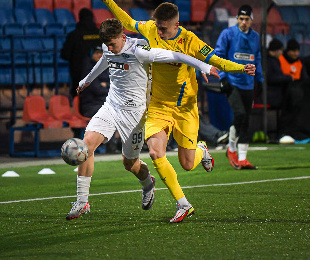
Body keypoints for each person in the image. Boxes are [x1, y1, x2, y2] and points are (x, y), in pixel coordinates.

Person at [89, 0, 256, 223]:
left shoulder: (190, 41)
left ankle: (201, 150)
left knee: (187, 164)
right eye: (157, 26)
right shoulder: (151, 28)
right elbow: (127, 21)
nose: (159, 31)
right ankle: (183, 204)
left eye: (164, 28)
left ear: (177, 25)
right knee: (156, 152)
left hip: (185, 109)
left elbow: (216, 59)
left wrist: (241, 67)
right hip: (158, 106)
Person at [66, 18, 219, 220]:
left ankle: (148, 183)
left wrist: (204, 66)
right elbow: (105, 60)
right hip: (111, 106)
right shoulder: (108, 47)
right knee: (86, 146)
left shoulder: (140, 50)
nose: (110, 49)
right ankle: (82, 201)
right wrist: (87, 80)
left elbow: (175, 54)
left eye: (113, 44)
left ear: (123, 36)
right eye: (107, 45)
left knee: (129, 164)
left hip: (135, 115)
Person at [215, 5, 263, 170]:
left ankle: (243, 159)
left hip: (248, 83)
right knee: (240, 114)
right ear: (237, 19)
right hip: (232, 82)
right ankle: (232, 149)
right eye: (241, 19)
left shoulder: (255, 37)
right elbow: (218, 56)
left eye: (247, 19)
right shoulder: (227, 34)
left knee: (247, 120)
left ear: (251, 21)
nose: (243, 22)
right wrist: (222, 78)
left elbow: (257, 58)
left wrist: (260, 79)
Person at [60, 8, 101, 99]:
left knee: (78, 99)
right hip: (98, 73)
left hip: (78, 73)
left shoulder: (74, 35)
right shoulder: (100, 34)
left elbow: (65, 54)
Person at [78, 45, 109, 118]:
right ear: (92, 54)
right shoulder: (88, 71)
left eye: (101, 53)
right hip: (91, 106)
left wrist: (106, 85)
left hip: (103, 103)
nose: (99, 55)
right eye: (97, 53)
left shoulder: (105, 68)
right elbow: (98, 90)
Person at [265, 39, 293, 108]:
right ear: (276, 50)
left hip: (275, 93)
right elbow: (271, 78)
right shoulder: (267, 61)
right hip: (271, 95)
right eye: (281, 50)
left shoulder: (274, 61)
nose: (282, 53)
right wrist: (288, 78)